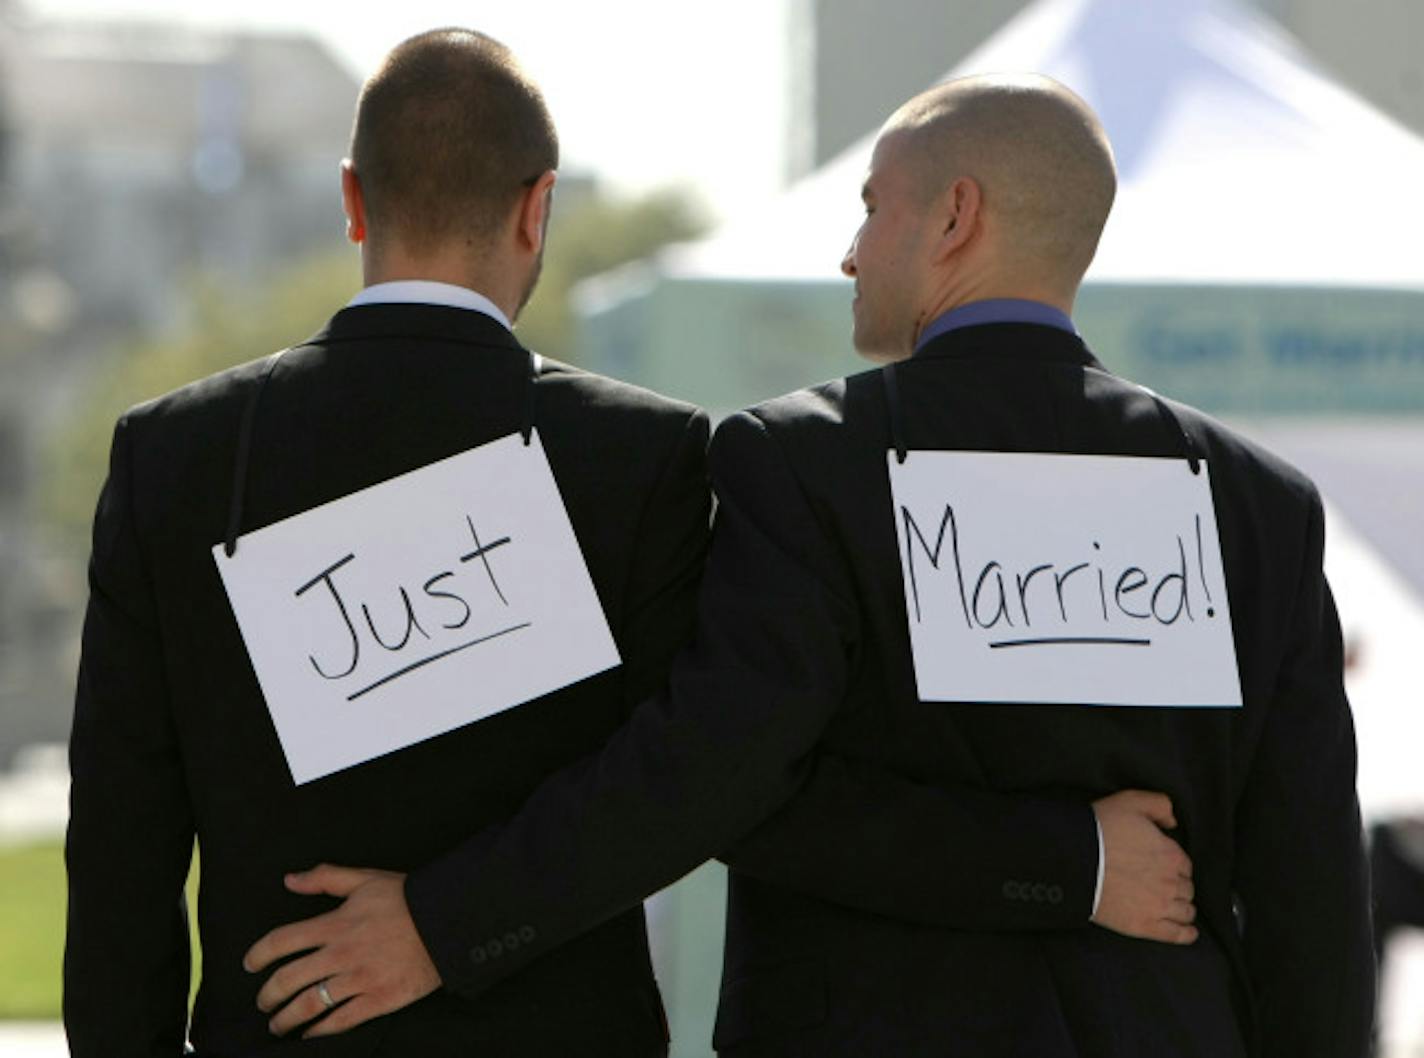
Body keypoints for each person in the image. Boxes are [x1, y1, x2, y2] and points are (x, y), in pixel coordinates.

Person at [64, 33, 1189, 1057]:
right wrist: (442, 925)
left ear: (353, 201)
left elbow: (118, 844)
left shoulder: (174, 456)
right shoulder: (641, 455)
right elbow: (693, 775)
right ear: (536, 208)